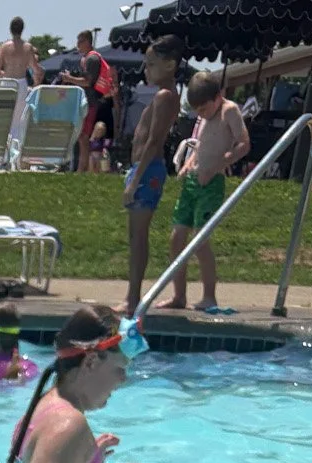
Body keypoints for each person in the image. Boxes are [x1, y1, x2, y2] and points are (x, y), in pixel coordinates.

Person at [6, 303, 145, 463]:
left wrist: (86, 458)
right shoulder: (68, 424)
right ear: (90, 362)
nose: (123, 379)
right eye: (119, 368)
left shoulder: (45, 404)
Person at [166, 71, 251, 313]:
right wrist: (189, 163)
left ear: (218, 97)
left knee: (200, 240)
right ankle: (179, 295)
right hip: (193, 181)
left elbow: (244, 144)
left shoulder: (229, 110)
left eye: (203, 109)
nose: (201, 114)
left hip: (211, 184)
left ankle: (209, 297)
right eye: (197, 111)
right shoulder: (206, 115)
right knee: (176, 238)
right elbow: (201, 144)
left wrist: (217, 166)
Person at [122, 36, 184, 317]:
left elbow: (154, 142)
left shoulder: (164, 96)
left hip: (147, 171)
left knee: (138, 236)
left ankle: (132, 298)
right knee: (135, 235)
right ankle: (131, 296)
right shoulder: (166, 95)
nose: (145, 70)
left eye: (151, 64)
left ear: (170, 64)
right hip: (145, 170)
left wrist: (135, 180)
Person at [61, 30, 117, 172]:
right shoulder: (87, 58)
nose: (77, 45)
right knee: (82, 137)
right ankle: (81, 169)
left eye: (79, 41)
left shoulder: (92, 59)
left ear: (87, 41)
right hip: (90, 101)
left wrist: (70, 79)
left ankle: (81, 170)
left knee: (84, 137)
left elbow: (88, 82)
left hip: (91, 102)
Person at [0, 16, 44, 87]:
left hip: (6, 83)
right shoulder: (28, 47)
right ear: (22, 29)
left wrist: (8, 75)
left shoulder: (3, 47)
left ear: (10, 29)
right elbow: (36, 70)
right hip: (21, 84)